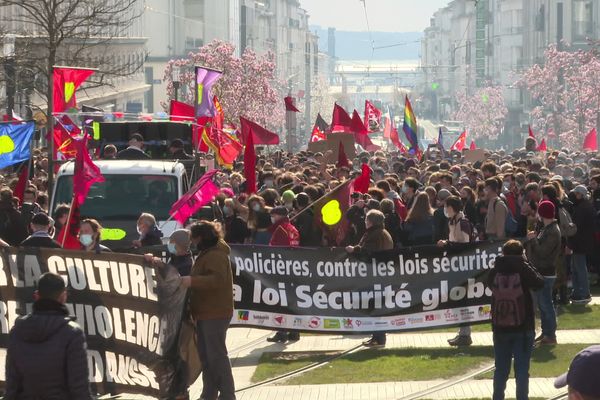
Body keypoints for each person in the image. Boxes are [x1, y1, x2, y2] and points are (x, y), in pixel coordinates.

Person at [4, 272, 92, 399]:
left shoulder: (17, 331)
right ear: (63, 296)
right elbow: (79, 389)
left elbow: (12, 386)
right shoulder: (72, 333)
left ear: (36, 296)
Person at [181, 221, 236, 400]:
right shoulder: (209, 252)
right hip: (206, 311)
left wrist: (192, 281)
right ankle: (209, 392)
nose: (193, 242)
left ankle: (227, 394)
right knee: (207, 356)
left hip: (215, 311)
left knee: (216, 355)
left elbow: (217, 280)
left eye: (194, 238)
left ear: (202, 237)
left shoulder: (216, 255)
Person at [488, 240, 544, 400]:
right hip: (523, 326)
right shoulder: (523, 268)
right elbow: (539, 282)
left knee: (500, 369)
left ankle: (497, 397)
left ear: (503, 253)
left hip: (500, 327)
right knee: (521, 370)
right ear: (522, 254)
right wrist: (526, 262)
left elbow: (489, 284)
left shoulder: (496, 268)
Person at [346, 209, 394, 347]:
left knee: (375, 307)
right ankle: (377, 336)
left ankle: (378, 338)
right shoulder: (381, 233)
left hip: (376, 276)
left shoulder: (376, 234)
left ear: (371, 221)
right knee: (376, 306)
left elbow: (370, 251)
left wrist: (354, 249)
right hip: (379, 275)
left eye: (367, 219)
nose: (365, 222)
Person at [439, 196, 475, 346]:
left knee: (463, 300)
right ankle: (462, 332)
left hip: (464, 267)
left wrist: (447, 244)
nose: (445, 210)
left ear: (452, 207)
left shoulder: (463, 222)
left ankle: (465, 334)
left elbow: (464, 245)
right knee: (458, 300)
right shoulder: (452, 222)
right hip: (456, 266)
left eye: (446, 206)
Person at [524, 200, 562, 345]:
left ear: (542, 213)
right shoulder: (546, 228)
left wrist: (533, 240)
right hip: (541, 270)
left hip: (546, 272)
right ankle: (546, 332)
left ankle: (550, 335)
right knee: (543, 304)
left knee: (546, 304)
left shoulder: (553, 231)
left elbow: (543, 252)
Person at [568, 185, 594, 303]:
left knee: (579, 268)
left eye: (576, 193)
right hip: (582, 242)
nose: (575, 195)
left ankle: (584, 293)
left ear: (581, 194)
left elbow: (576, 228)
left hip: (580, 242)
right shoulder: (585, 206)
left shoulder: (582, 207)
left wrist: (570, 243)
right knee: (576, 268)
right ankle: (577, 292)